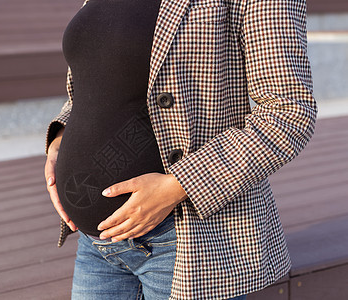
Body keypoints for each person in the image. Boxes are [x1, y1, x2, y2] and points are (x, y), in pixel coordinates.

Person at [44, 0, 318, 299]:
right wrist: (61, 137)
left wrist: (177, 186)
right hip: (95, 245)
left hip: (182, 243)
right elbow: (96, 81)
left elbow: (289, 113)